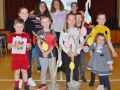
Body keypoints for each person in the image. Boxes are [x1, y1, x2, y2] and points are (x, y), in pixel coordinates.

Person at [87, 13, 117, 87]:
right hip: (95, 50)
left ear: (105, 20)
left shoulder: (107, 29)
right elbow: (91, 40)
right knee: (94, 66)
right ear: (97, 20)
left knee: (103, 66)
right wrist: (90, 51)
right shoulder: (94, 29)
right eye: (100, 18)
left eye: (103, 18)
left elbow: (108, 41)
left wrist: (113, 51)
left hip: (103, 51)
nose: (102, 20)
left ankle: (104, 82)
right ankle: (92, 80)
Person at [10, 7, 36, 87]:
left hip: (28, 49)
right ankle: (21, 79)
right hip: (17, 50)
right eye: (23, 13)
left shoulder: (31, 23)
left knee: (28, 64)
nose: (25, 14)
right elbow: (12, 36)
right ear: (19, 14)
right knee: (19, 64)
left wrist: (31, 44)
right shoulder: (15, 23)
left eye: (26, 13)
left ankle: (29, 78)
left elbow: (33, 37)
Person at [59, 14, 82, 89]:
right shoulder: (64, 30)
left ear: (75, 21)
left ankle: (75, 85)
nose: (71, 21)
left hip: (76, 54)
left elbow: (82, 42)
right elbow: (60, 43)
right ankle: (68, 85)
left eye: (73, 19)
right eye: (70, 19)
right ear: (67, 21)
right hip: (67, 54)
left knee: (75, 70)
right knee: (68, 70)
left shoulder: (79, 30)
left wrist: (77, 51)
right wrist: (67, 51)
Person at [7, 18, 31, 90]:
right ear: (14, 26)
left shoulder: (26, 35)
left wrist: (28, 45)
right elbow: (8, 47)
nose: (19, 28)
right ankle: (16, 86)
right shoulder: (11, 36)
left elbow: (29, 46)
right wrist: (13, 44)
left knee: (25, 72)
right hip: (15, 59)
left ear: (23, 27)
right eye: (17, 27)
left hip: (24, 58)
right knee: (16, 73)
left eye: (21, 27)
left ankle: (26, 85)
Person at [29, 1, 51, 72]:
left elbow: (50, 24)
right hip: (35, 37)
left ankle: (39, 67)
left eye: (44, 6)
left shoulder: (47, 16)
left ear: (45, 8)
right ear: (38, 7)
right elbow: (27, 21)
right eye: (41, 5)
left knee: (40, 52)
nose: (42, 7)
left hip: (44, 37)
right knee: (33, 52)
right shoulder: (33, 15)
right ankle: (29, 67)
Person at [37, 16, 57, 90]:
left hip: (52, 55)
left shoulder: (52, 32)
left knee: (52, 70)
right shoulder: (39, 32)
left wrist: (47, 52)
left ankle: (53, 82)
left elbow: (53, 44)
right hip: (42, 55)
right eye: (43, 22)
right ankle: (43, 83)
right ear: (41, 23)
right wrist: (43, 52)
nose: (45, 23)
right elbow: (38, 43)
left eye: (47, 21)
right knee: (43, 69)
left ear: (50, 22)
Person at [76, 12, 87, 82]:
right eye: (76, 17)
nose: (78, 19)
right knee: (75, 63)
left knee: (82, 63)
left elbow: (86, 38)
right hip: (75, 49)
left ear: (81, 18)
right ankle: (75, 75)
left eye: (79, 17)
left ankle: (82, 75)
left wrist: (83, 44)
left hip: (82, 49)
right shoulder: (72, 27)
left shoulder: (84, 28)